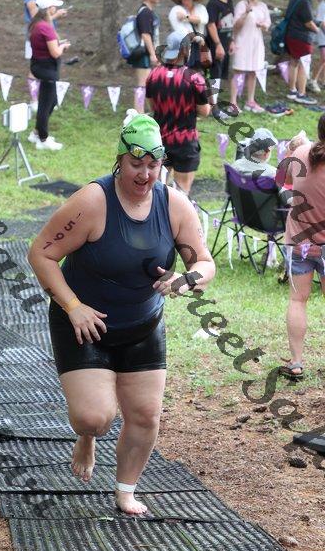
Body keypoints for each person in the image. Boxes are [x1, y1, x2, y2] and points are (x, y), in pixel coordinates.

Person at [28, 112, 215, 515]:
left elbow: (204, 261)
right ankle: (87, 437)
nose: (144, 174)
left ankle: (125, 490)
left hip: (142, 324)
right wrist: (73, 307)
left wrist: (188, 279)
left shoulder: (174, 205)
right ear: (119, 160)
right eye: (135, 164)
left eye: (153, 165)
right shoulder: (92, 202)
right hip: (85, 323)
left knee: (146, 415)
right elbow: (41, 254)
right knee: (95, 418)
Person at [279, 114, 325, 381]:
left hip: (299, 243)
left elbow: (284, 179)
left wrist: (294, 148)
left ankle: (296, 362)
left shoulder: (301, 152)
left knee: (298, 300)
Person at [146, 31, 211, 196]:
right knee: (181, 193)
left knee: (156, 192)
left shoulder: (153, 75)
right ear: (185, 50)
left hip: (159, 141)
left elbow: (152, 106)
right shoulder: (194, 78)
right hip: (185, 142)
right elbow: (204, 111)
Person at [28, 0, 70, 151]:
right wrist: (63, 46)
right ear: (49, 9)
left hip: (39, 66)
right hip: (47, 69)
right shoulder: (46, 28)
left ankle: (36, 132)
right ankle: (43, 138)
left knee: (51, 101)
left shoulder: (37, 24)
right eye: (54, 6)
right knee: (46, 105)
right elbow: (55, 52)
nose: (55, 9)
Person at [24, 0, 68, 112]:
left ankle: (51, 99)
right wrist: (56, 15)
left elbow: (48, 21)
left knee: (50, 67)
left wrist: (56, 38)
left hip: (48, 35)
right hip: (37, 36)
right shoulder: (32, 0)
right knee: (35, 69)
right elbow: (36, 17)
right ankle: (34, 100)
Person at [229, 0, 271, 113]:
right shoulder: (242, 5)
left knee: (253, 71)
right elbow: (235, 26)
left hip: (257, 43)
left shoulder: (262, 6)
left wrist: (263, 25)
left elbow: (267, 24)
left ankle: (250, 101)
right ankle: (233, 103)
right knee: (238, 71)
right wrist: (246, 13)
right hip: (242, 42)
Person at [285, 0, 320, 105]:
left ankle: (292, 91)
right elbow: (308, 23)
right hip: (302, 37)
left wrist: (318, 23)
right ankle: (301, 94)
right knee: (304, 65)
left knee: (294, 62)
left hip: (291, 34)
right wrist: (318, 31)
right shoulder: (305, 1)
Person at [206, 0, 235, 119]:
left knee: (219, 74)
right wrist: (218, 44)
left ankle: (214, 105)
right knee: (214, 74)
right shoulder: (213, 3)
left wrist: (231, 40)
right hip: (215, 44)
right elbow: (210, 24)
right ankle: (212, 108)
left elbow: (231, 23)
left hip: (225, 43)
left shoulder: (229, 2)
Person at [131, 0, 161, 113]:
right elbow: (145, 34)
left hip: (146, 52)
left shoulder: (148, 11)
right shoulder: (145, 12)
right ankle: (138, 113)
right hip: (143, 53)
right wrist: (153, 54)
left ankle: (140, 111)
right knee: (142, 84)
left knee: (145, 84)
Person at [168, 0, 209, 67]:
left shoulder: (200, 8)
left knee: (197, 68)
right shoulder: (176, 9)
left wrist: (186, 17)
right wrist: (198, 38)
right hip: (183, 46)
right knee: (183, 68)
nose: (185, 1)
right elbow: (183, 32)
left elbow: (204, 20)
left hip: (197, 46)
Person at [307, 0, 325, 93]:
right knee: (324, 57)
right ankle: (313, 80)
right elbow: (321, 22)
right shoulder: (323, 5)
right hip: (322, 34)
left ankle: (322, 80)